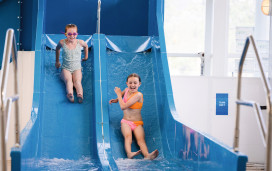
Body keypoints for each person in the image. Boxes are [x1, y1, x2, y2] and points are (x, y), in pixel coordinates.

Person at [109, 73, 159, 160]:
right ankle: (129, 153)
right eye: (130, 83)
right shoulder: (126, 90)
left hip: (137, 123)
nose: (132, 85)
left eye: (135, 83)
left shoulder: (138, 95)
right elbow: (122, 95)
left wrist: (117, 94)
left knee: (141, 140)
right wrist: (116, 100)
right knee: (128, 137)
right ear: (127, 83)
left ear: (139, 84)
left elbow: (123, 106)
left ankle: (147, 155)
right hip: (126, 121)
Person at [55, 24, 88, 103]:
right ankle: (70, 94)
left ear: (77, 34)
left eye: (74, 34)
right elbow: (57, 49)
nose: (72, 36)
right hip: (66, 68)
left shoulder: (80, 42)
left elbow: (86, 46)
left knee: (77, 81)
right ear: (65, 34)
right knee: (68, 81)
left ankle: (80, 95)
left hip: (77, 68)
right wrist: (57, 61)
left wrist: (86, 57)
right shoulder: (62, 42)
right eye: (69, 34)